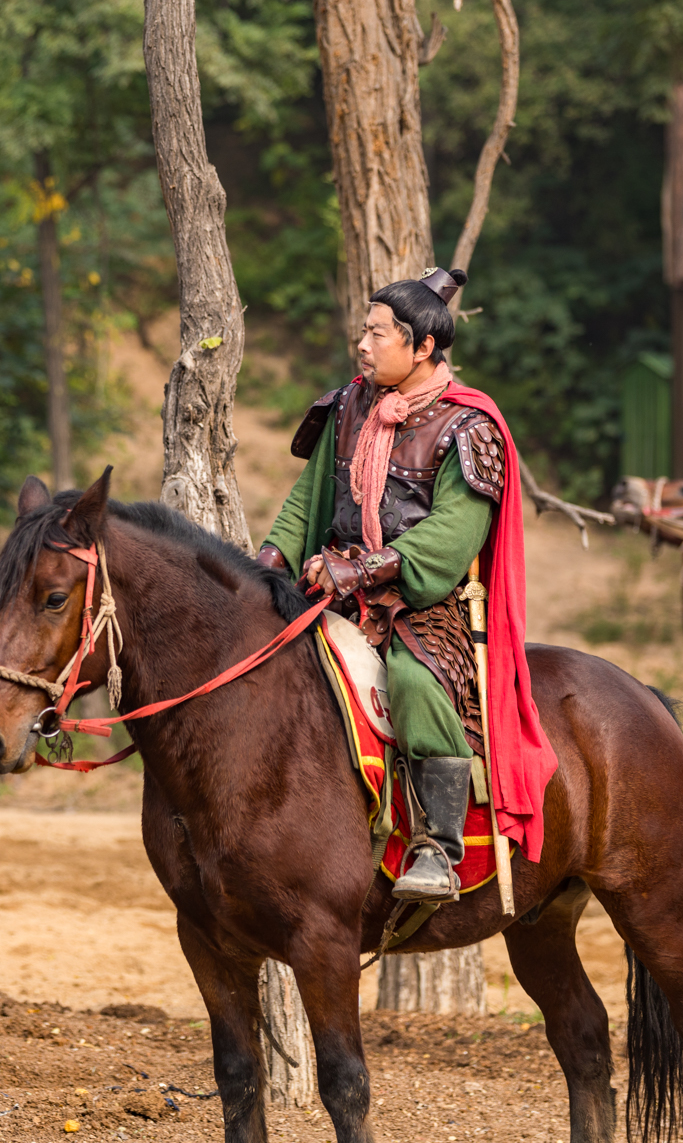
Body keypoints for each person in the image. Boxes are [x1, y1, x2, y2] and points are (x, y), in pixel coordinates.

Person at [258, 267, 556, 903]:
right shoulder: (347, 406)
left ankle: (439, 849)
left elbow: (449, 539)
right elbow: (306, 501)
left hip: (426, 603)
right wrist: (268, 562)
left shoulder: (468, 429)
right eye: (363, 331)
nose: (362, 345)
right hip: (332, 588)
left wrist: (363, 568)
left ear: (423, 346)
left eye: (377, 334)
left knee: (415, 684)